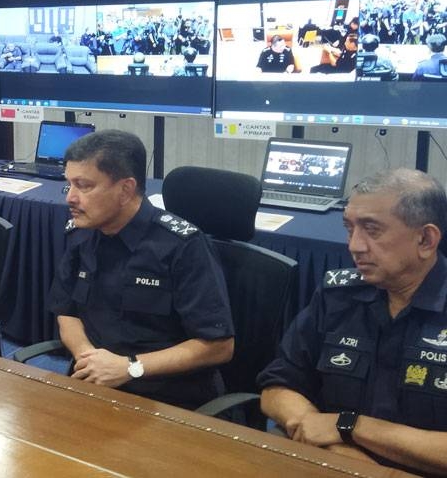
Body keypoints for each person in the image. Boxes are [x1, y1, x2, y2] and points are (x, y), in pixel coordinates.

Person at [258, 169, 447, 475]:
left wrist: (350, 426)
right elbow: (277, 388)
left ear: (425, 239)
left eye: (372, 230)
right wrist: (340, 451)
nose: (354, 246)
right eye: (349, 228)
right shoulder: (338, 296)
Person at [48, 130, 235, 410]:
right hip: (94, 383)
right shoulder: (82, 233)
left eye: (84, 186)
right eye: (69, 184)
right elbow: (66, 311)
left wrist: (130, 367)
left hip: (166, 397)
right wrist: (88, 357)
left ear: (125, 190)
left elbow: (219, 346)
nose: (70, 198)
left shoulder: (182, 246)